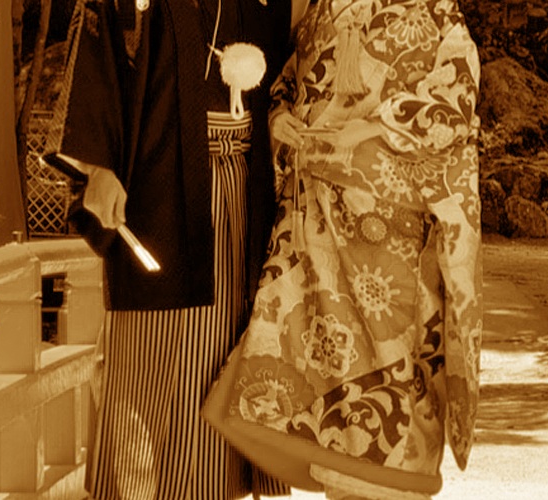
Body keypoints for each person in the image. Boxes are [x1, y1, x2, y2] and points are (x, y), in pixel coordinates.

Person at [202, 0, 483, 498]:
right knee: (327, 366)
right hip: (319, 224)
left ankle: (394, 479)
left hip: (392, 227)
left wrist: (375, 127)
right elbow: (286, 82)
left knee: (397, 364)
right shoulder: (319, 11)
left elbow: (456, 100)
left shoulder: (436, 10)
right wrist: (279, 118)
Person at [57, 0, 294, 498]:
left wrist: (285, 115)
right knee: (151, 353)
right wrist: (98, 169)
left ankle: (212, 486)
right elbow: (100, 56)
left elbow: (291, 72)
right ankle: (137, 488)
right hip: (159, 193)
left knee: (226, 348)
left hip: (244, 196)